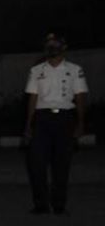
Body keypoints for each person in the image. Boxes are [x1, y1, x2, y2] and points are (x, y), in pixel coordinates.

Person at [24, 32, 88, 214]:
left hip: (65, 119)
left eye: (55, 44)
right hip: (42, 119)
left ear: (63, 47)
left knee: (62, 163)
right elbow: (32, 98)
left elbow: (81, 97)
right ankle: (40, 204)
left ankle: (59, 204)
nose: (51, 47)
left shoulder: (75, 70)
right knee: (36, 163)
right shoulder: (37, 71)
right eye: (48, 44)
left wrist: (80, 123)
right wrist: (28, 125)